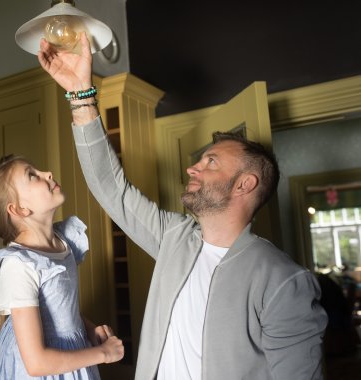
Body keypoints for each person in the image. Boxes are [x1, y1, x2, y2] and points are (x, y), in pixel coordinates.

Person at [37, 33, 328, 379]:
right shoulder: (174, 237)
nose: (193, 168)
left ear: (245, 184)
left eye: (211, 163)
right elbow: (111, 189)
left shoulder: (283, 279)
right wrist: (80, 95)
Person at [0, 154, 124, 379]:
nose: (47, 174)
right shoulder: (19, 265)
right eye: (32, 175)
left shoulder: (62, 241)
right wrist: (103, 353)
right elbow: (36, 364)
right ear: (19, 209)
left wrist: (87, 328)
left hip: (69, 359)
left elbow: (59, 308)